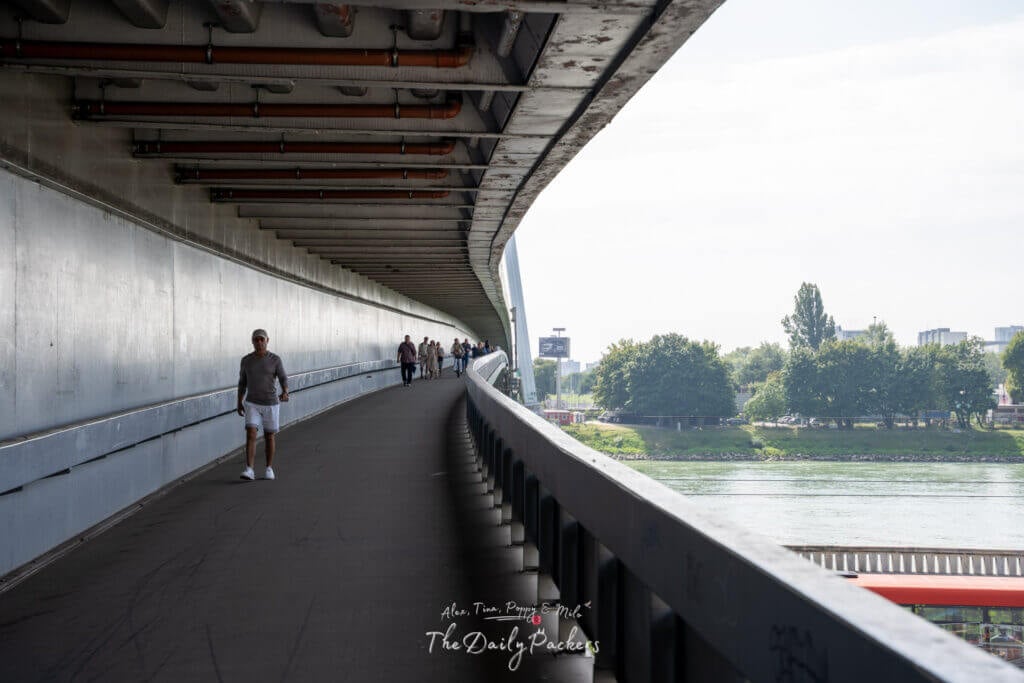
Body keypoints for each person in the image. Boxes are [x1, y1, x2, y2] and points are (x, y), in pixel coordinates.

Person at [237, 328, 288, 481]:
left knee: (269, 436)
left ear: (267, 341)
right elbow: (242, 383)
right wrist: (239, 401)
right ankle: (249, 469)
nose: (259, 342)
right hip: (252, 402)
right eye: (256, 340)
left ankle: (268, 468)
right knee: (251, 433)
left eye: (261, 339)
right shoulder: (246, 360)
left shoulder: (275, 359)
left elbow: (283, 377)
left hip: (271, 403)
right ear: (252, 341)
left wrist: (285, 391)